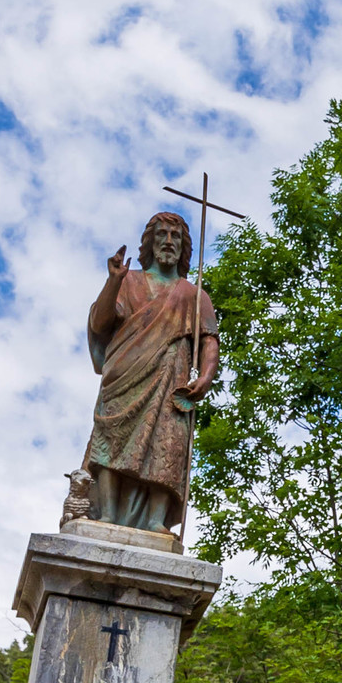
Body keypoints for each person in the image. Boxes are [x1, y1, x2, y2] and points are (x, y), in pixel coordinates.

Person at [82, 211, 218, 534]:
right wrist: (113, 280)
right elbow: (100, 323)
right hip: (124, 375)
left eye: (176, 237)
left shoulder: (193, 295)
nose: (169, 242)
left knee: (168, 441)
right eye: (162, 235)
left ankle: (156, 519)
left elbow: (209, 339)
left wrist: (206, 376)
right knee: (112, 438)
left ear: (184, 247)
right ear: (151, 242)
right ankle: (107, 514)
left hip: (172, 381)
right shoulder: (129, 282)